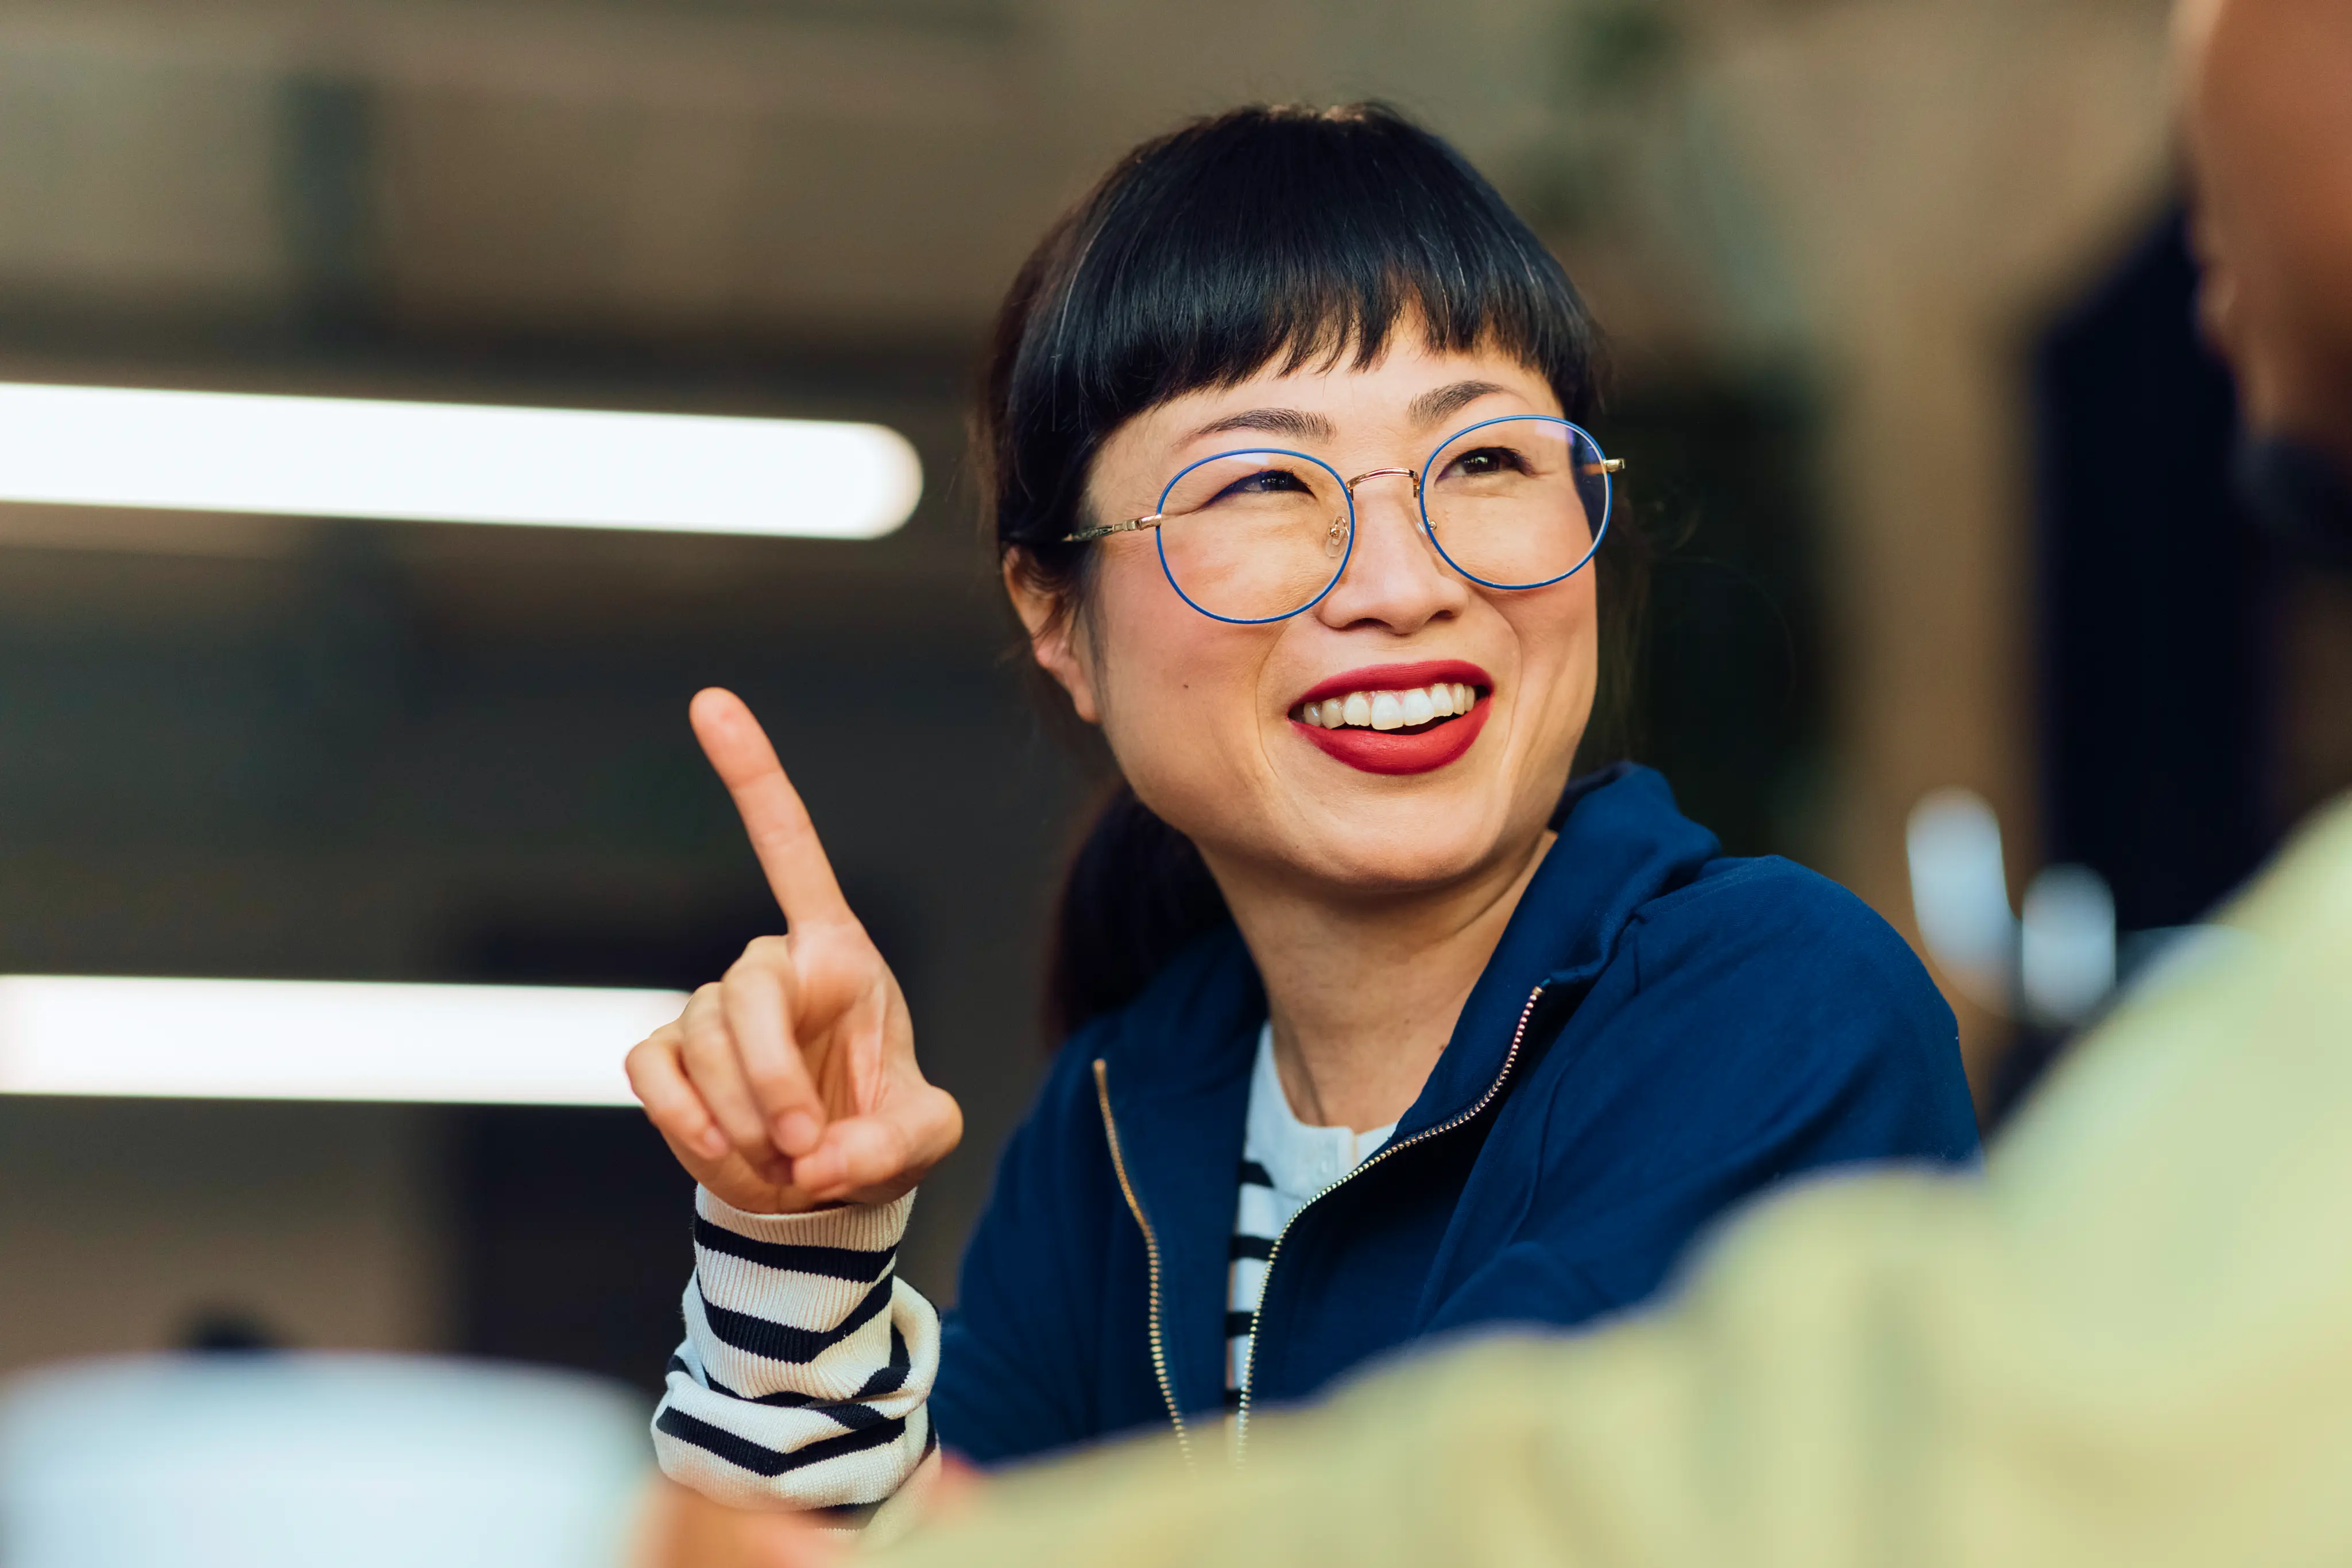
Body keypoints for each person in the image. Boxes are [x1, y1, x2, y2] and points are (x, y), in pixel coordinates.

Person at [630, 1, 2352, 1561]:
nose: (1398, 577)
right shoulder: (1118, 1118)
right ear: (1056, 617)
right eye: (1259, 486)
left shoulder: (1774, 1009)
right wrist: (805, 1245)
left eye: (1488, 459)